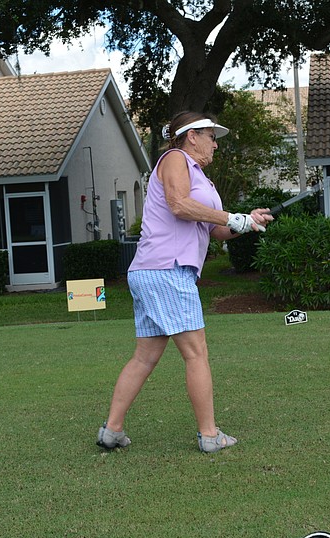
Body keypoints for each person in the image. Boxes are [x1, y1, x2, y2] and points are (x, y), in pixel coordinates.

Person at [97, 111, 273, 453]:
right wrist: (230, 217)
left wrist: (245, 223)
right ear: (191, 136)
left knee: (145, 358)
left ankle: (112, 431)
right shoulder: (175, 158)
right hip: (168, 270)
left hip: (152, 271)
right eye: (211, 136)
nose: (215, 144)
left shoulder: (201, 179)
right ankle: (209, 435)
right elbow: (179, 206)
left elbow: (214, 229)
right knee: (196, 354)